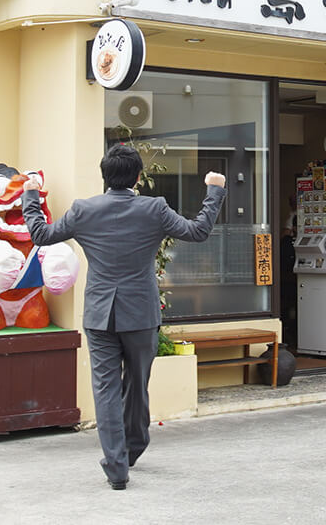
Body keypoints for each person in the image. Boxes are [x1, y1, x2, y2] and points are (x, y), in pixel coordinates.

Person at [22, 143, 227, 490]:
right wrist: (215, 190)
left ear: (105, 175)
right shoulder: (154, 208)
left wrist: (30, 196)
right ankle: (133, 447)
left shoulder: (83, 210)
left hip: (99, 314)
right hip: (141, 313)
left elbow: (41, 235)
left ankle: (117, 467)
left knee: (105, 389)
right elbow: (198, 231)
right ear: (137, 177)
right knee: (136, 384)